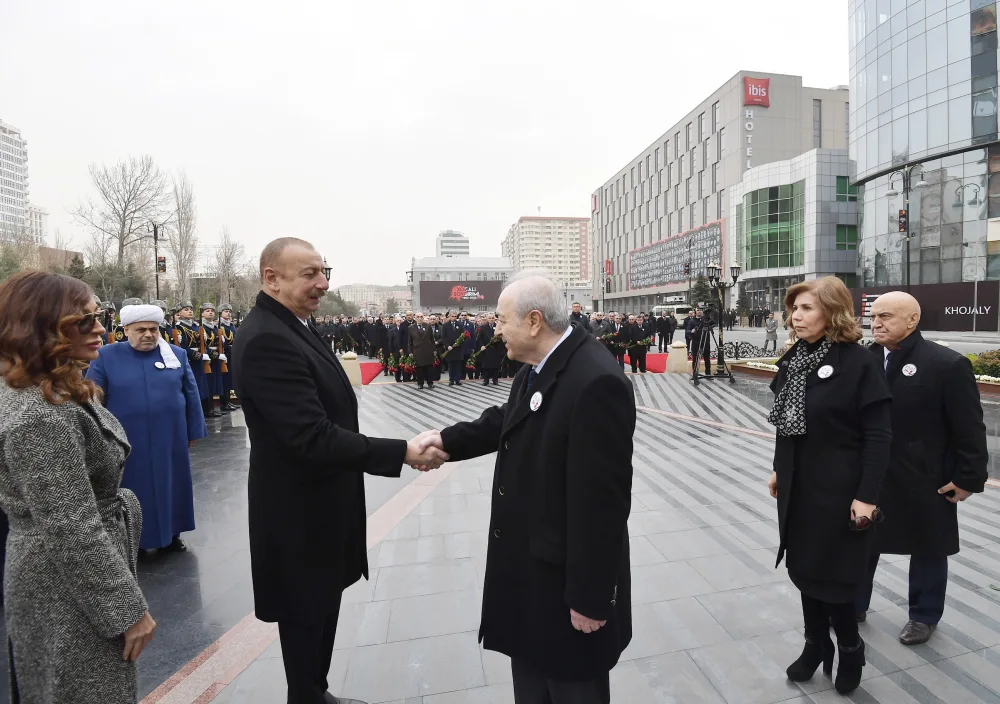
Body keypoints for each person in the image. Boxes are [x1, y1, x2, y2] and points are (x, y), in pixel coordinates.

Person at [232, 238, 446, 704]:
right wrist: (403, 451)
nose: (322, 283)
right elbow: (311, 436)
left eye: (323, 271)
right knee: (307, 613)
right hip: (298, 513)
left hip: (320, 505)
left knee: (320, 608)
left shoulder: (293, 326)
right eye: (308, 274)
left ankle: (315, 693)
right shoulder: (268, 336)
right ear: (271, 278)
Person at [414, 272, 634, 704]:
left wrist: (590, 599)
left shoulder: (596, 382)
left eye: (500, 320)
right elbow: (508, 418)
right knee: (533, 687)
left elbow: (602, 507)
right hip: (533, 581)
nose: (495, 331)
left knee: (572, 690)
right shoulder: (542, 364)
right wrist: (447, 440)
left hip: (568, 593)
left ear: (534, 321)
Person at [0, 272, 157, 703]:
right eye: (85, 320)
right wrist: (126, 611)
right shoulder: (40, 415)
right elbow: (72, 528)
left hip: (63, 580)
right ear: (44, 326)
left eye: (99, 316)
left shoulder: (47, 387)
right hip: (65, 591)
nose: (101, 329)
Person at [766, 276, 891, 695]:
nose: (796, 317)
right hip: (799, 486)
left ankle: (851, 648)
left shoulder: (859, 362)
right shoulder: (794, 358)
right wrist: (778, 469)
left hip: (841, 489)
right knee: (804, 568)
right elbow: (786, 428)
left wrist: (866, 496)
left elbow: (878, 435)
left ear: (832, 313)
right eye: (794, 309)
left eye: (806, 309)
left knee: (835, 577)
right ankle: (816, 645)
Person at [856, 291, 989, 644]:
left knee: (929, 544)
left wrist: (968, 479)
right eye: (874, 316)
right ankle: (854, 603)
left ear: (912, 321)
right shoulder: (861, 360)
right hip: (872, 472)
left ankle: (924, 615)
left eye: (886, 316)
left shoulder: (946, 364)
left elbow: (970, 429)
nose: (877, 323)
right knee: (861, 539)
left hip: (925, 475)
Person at [86, 303, 207, 554]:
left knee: (172, 485)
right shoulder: (106, 356)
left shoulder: (176, 354)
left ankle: (173, 534)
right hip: (127, 439)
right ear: (126, 329)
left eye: (153, 329)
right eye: (141, 329)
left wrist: (193, 430)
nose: (148, 334)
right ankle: (135, 541)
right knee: (133, 488)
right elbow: (91, 399)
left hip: (170, 436)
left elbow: (190, 394)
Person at [407, 312, 436, 389]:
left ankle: (430, 383)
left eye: (421, 317)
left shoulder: (428, 326)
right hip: (417, 351)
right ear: (415, 318)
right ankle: (420, 383)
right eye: (418, 317)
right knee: (419, 368)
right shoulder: (411, 327)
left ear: (423, 318)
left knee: (429, 368)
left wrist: (434, 350)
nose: (420, 318)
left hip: (428, 351)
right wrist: (410, 351)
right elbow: (410, 341)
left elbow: (432, 339)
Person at [218, 303, 239, 411]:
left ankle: (228, 400)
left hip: (231, 353)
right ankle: (224, 402)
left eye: (230, 312)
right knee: (224, 378)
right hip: (224, 353)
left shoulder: (230, 325)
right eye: (226, 311)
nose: (228, 313)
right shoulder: (219, 325)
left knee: (229, 377)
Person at [477, 313, 504, 385]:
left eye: (492, 318)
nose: (491, 319)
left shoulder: (498, 327)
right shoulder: (483, 327)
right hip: (486, 349)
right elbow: (479, 339)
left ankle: (495, 380)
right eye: (490, 318)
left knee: (496, 366)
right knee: (486, 366)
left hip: (496, 349)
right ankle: (486, 380)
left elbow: (502, 338)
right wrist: (482, 346)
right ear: (487, 319)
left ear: (495, 319)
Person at [441, 312, 466, 386]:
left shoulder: (460, 325)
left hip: (458, 349)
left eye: (455, 316)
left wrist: (458, 343)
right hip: (450, 349)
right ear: (449, 316)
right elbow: (443, 337)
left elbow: (463, 336)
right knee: (451, 366)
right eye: (452, 316)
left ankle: (457, 380)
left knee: (458, 365)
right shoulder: (445, 325)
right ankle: (451, 380)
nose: (454, 317)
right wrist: (447, 345)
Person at [689, 309, 711, 375]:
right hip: (696, 342)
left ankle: (708, 372)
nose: (699, 311)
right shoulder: (692, 321)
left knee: (707, 358)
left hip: (705, 342)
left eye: (701, 310)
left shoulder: (705, 320)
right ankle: (695, 373)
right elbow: (687, 331)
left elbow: (713, 323)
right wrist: (691, 331)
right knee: (695, 359)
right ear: (695, 312)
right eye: (698, 310)